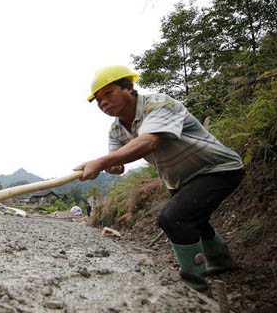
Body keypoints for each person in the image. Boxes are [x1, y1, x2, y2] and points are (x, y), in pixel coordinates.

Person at [74, 65, 244, 293]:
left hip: (217, 168)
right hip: (180, 181)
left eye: (108, 93)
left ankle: (196, 288)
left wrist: (101, 162)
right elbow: (118, 166)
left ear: (129, 87)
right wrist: (108, 167)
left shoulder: (159, 104)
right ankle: (221, 261)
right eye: (98, 99)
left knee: (174, 218)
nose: (103, 103)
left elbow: (149, 141)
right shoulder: (115, 129)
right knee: (195, 219)